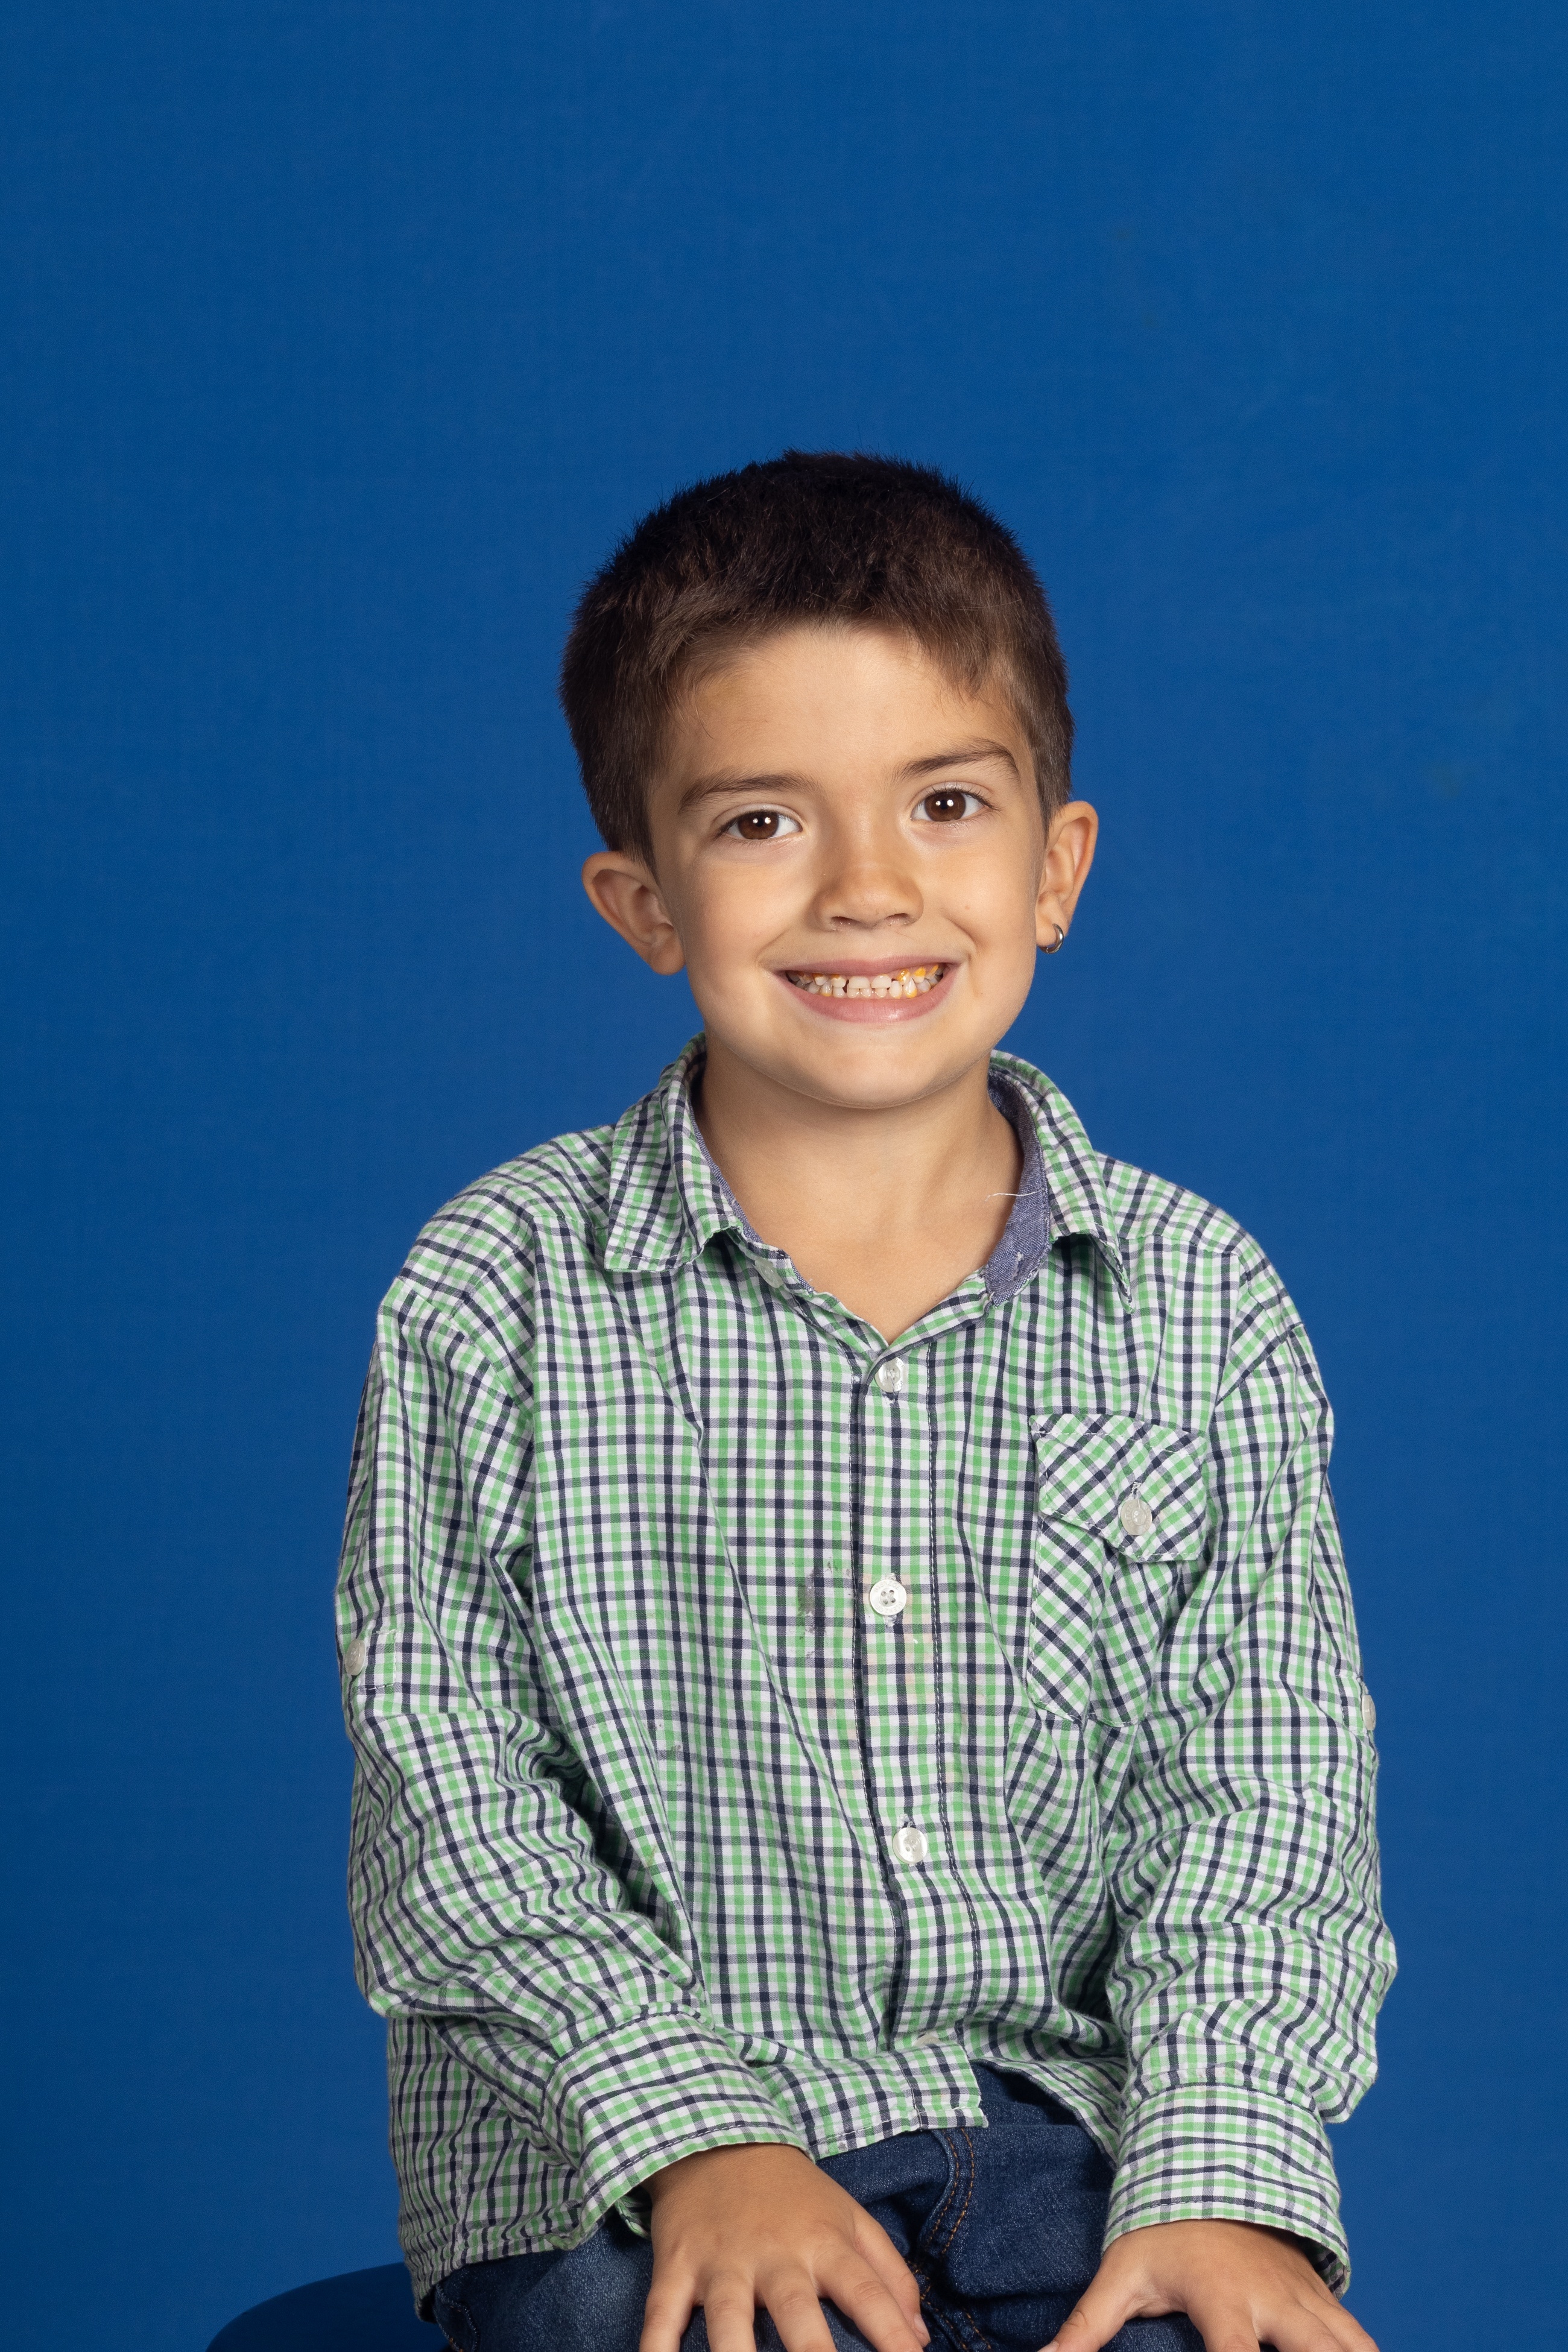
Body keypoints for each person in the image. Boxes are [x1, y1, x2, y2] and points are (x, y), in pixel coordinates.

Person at [336, 452, 1394, 2352]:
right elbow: (452, 1794)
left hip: (1067, 2140)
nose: (869, 888)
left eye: (946, 803)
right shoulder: (499, 1289)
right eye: (761, 820)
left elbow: (1266, 1800)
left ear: (1055, 865)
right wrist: (701, 2134)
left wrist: (1222, 2177)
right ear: (643, 898)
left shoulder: (1202, 1302)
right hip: (619, 2157)